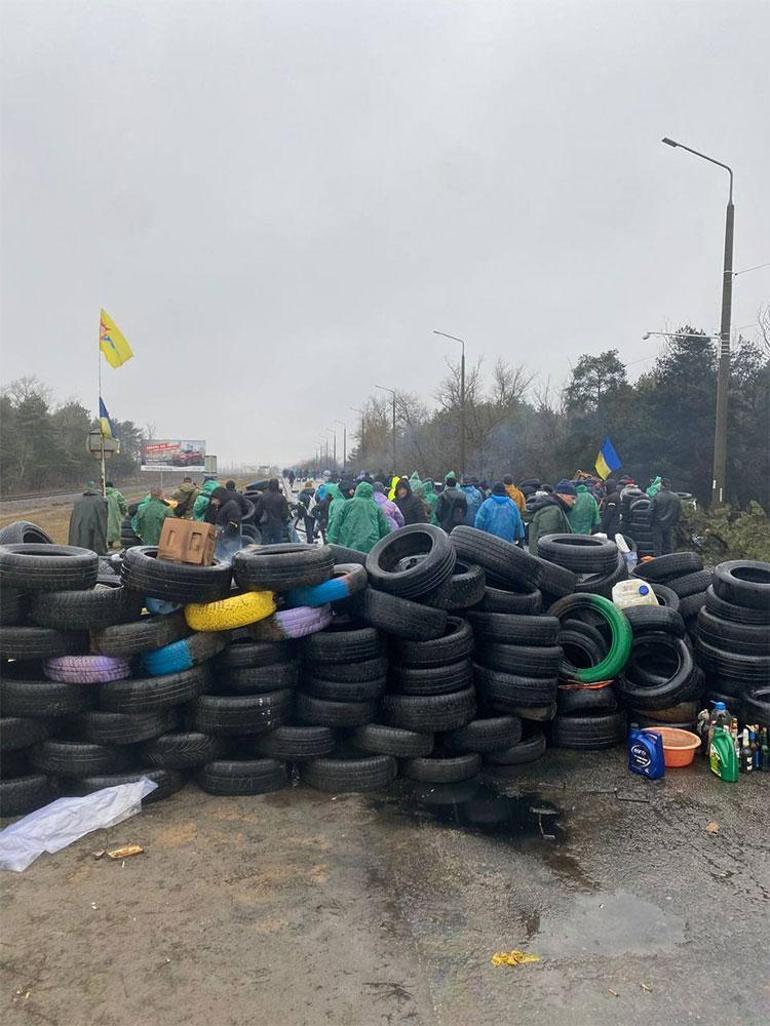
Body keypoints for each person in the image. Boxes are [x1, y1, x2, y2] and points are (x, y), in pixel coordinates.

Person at [327, 481, 391, 553]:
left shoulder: (347, 504)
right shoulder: (376, 507)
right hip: (370, 547)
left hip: (347, 545)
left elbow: (336, 523)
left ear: (357, 491)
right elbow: (385, 528)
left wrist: (331, 540)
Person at [528, 479, 576, 553]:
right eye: (572, 498)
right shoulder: (552, 511)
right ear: (562, 495)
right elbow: (547, 542)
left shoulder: (555, 508)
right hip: (545, 560)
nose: (574, 502)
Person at [69, 482, 108, 554]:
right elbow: (101, 525)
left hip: (76, 545)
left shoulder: (78, 501)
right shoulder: (100, 501)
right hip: (93, 543)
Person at [254, 478, 289, 545]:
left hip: (266, 524)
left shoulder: (263, 497)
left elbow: (258, 511)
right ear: (277, 486)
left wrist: (260, 520)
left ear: (269, 485)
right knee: (278, 545)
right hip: (278, 524)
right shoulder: (282, 498)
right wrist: (281, 520)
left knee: (266, 544)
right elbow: (285, 513)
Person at [651, 478, 681, 555]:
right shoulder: (676, 497)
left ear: (662, 485)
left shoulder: (657, 496)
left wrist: (651, 522)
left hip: (657, 524)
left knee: (658, 546)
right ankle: (669, 561)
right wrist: (675, 522)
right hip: (670, 525)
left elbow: (651, 510)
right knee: (668, 545)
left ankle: (658, 563)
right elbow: (678, 512)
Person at [104, 480, 128, 548]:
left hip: (103, 514)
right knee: (114, 528)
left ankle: (106, 543)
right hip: (114, 515)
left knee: (105, 528)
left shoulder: (102, 494)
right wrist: (124, 512)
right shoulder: (116, 494)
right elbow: (123, 504)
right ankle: (111, 543)